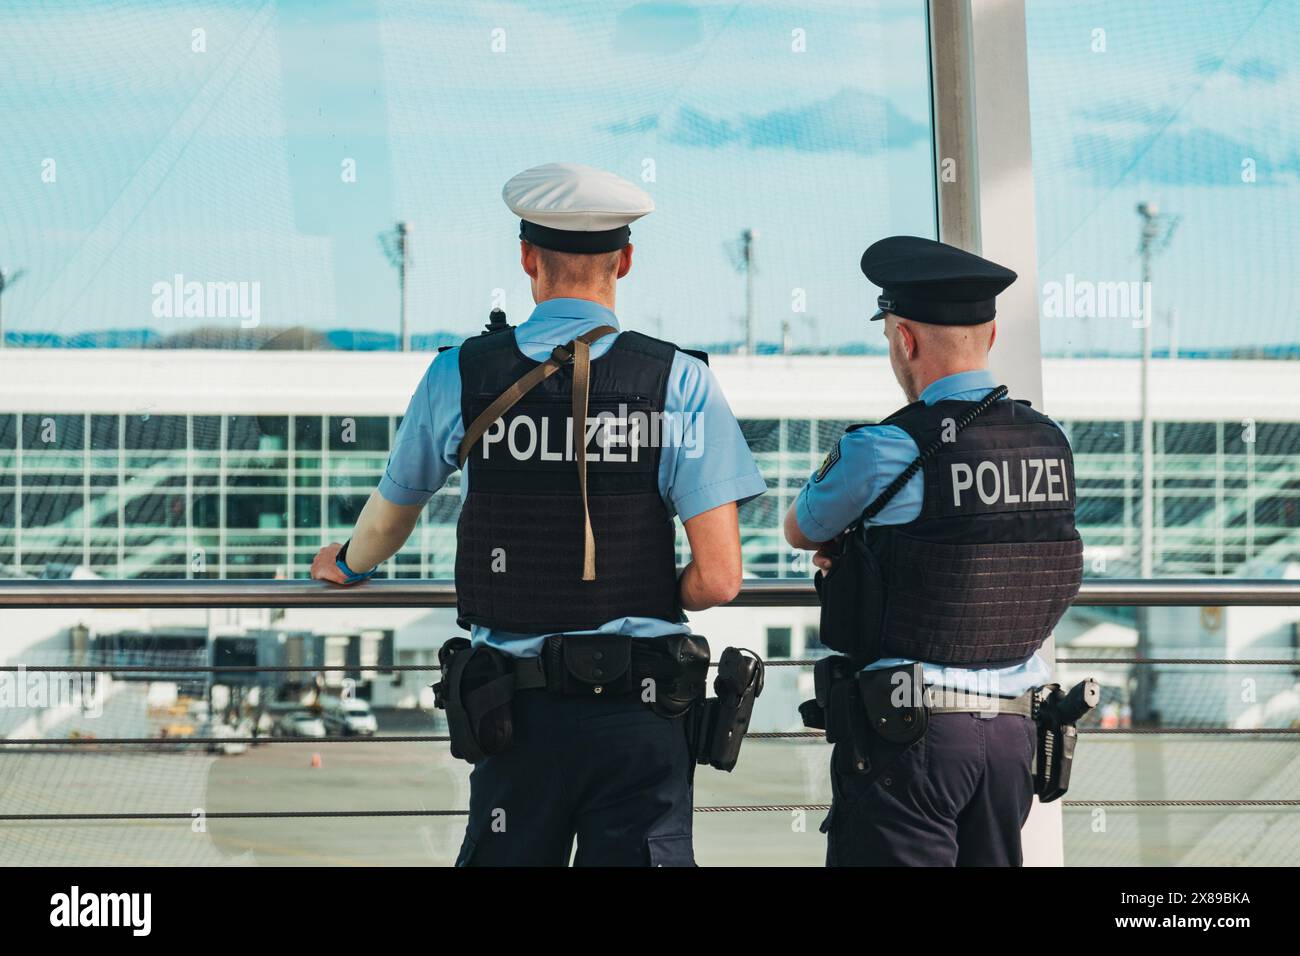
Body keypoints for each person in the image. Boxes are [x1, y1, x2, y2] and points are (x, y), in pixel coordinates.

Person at [311, 162, 765, 866]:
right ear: (627, 261)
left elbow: (392, 515)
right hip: (641, 714)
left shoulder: (459, 373)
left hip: (513, 715)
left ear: (527, 258)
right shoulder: (680, 380)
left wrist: (345, 563)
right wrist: (646, 587)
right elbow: (720, 579)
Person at [785, 236, 1083, 866]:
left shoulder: (884, 446)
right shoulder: (1048, 440)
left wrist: (861, 550)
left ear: (905, 340)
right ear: (992, 336)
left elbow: (800, 528)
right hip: (1014, 734)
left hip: (912, 734)